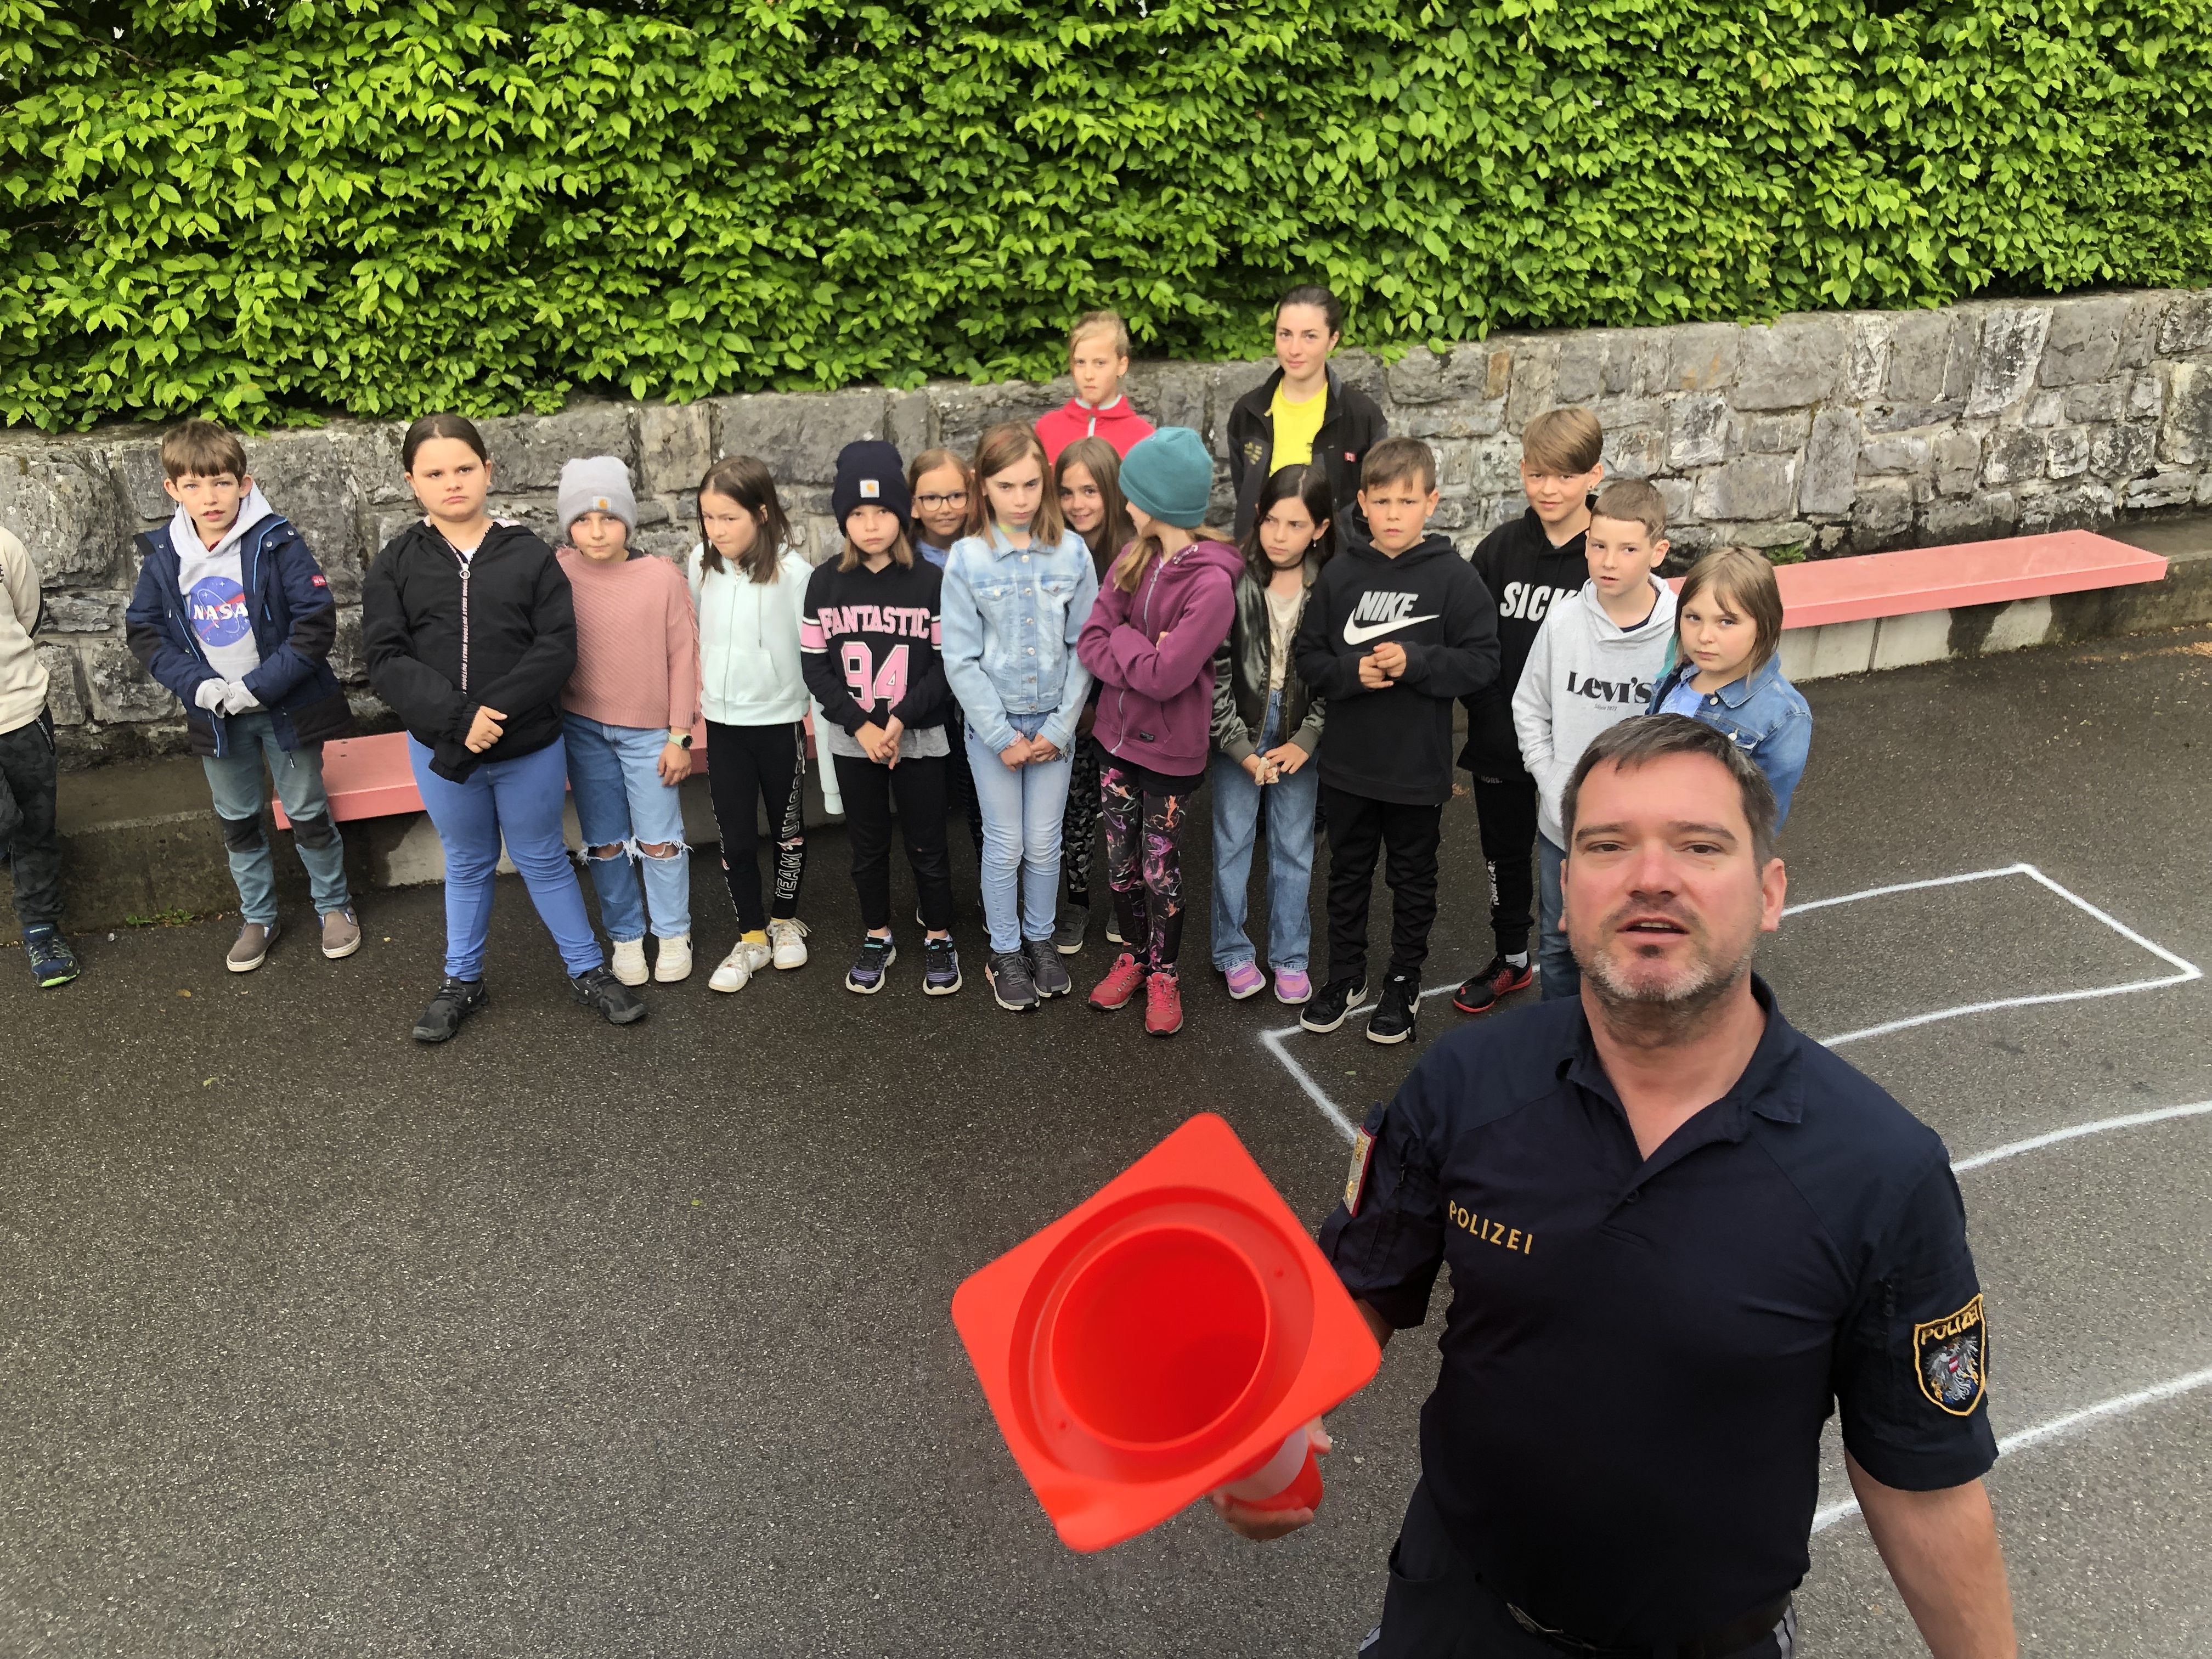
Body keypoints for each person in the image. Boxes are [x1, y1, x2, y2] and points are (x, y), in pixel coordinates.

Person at [1218, 716, 2015, 1659]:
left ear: (1769, 892)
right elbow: (1362, 1280)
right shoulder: (1464, 1085)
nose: (1650, 876)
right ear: (1565, 893)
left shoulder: (1882, 1170)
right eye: (1606, 845)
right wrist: (1268, 1427)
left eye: (1699, 845)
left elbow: (1920, 1478)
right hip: (1454, 1610)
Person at [362, 413, 645, 1042]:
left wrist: (494, 714)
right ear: (411, 482)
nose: (452, 482)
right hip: (444, 750)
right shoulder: (396, 563)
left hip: (528, 748)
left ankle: (588, 970)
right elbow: (385, 658)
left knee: (542, 856)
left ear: (488, 471)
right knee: (467, 860)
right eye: (435, 473)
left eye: (465, 468)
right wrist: (458, 720)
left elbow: (556, 647)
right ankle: (462, 979)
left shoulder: (528, 555)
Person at [123, 418, 359, 973]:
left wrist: (260, 686)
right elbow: (146, 631)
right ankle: (258, 917)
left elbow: (315, 622)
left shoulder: (277, 541)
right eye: (194, 485)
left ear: (244, 484)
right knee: (237, 819)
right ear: (173, 490)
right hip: (217, 717)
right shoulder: (164, 555)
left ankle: (334, 905)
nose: (210, 497)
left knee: (307, 810)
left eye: (222, 483)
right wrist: (198, 686)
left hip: (286, 709)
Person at [1293, 437, 1500, 1046]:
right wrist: (1348, 674)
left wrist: (1418, 662)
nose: (1392, 514)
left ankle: (1404, 980)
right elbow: (1309, 657)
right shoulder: (1341, 573)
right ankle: (1346, 976)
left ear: (1431, 503)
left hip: (1416, 768)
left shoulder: (1454, 579)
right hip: (1348, 765)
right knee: (1347, 875)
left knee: (1412, 880)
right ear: (1362, 502)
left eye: (1406, 501)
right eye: (1381, 501)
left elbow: (1483, 662)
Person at [1075, 426, 1240, 1038]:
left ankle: (1165, 973)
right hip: (1115, 740)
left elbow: (1168, 679)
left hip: (1172, 753)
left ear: (1161, 501)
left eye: (1133, 493)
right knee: (1119, 865)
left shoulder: (1213, 585)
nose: (1125, 503)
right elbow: (1092, 641)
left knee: (1159, 870)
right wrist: (1140, 647)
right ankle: (1135, 957)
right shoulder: (1133, 556)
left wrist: (1128, 644)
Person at [1453, 407, 1605, 1017]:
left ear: (1594, 475)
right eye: (1538, 474)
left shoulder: (1608, 552)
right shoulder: (1499, 550)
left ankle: (1593, 968)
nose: (1549, 489)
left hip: (1582, 747)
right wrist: (1491, 715)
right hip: (1502, 739)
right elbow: (1469, 642)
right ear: (1521, 471)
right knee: (1505, 854)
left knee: (1584, 858)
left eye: (1565, 476)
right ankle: (1512, 958)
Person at [940, 424, 1098, 1011]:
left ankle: (1040, 939)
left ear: (1046, 481)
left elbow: (1086, 645)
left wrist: (1059, 728)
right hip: (995, 728)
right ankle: (1005, 950)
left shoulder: (1072, 552)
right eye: (1006, 486)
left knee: (1044, 843)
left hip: (1054, 723)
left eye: (1032, 484)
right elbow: (959, 659)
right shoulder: (967, 558)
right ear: (982, 485)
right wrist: (1000, 734)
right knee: (1005, 843)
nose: (1021, 498)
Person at [799, 441, 962, 997]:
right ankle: (878, 934)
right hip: (856, 739)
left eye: (883, 511)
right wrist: (862, 725)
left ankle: (938, 934)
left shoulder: (930, 582)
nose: (871, 526)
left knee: (928, 844)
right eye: (858, 514)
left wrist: (900, 719)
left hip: (918, 734)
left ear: (903, 513)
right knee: (867, 847)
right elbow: (815, 666)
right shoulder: (824, 583)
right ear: (843, 519)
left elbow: (946, 663)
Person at [1513, 476, 1678, 1003]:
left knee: (1638, 945)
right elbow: (1528, 707)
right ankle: (1562, 1039)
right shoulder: (1563, 621)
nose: (1609, 561)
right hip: (1565, 828)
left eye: (1628, 549)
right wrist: (1553, 783)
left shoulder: (1681, 633)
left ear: (1657, 552)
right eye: (1598, 545)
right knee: (1560, 943)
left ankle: (1629, 1039)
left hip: (1647, 835)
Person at [554, 456, 701, 988]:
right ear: (568, 524)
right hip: (583, 728)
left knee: (660, 839)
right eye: (583, 520)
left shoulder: (661, 577)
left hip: (650, 734)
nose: (597, 532)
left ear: (629, 522)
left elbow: (684, 658)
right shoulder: (558, 572)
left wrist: (680, 734)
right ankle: (625, 936)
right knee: (606, 842)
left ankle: (674, 932)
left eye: (610, 518)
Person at [690, 455, 820, 994]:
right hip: (723, 726)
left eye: (729, 518)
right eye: (708, 518)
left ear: (762, 513)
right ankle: (750, 936)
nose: (716, 530)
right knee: (736, 838)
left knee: (787, 831)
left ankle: (785, 919)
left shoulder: (797, 574)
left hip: (779, 723)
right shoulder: (701, 563)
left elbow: (813, 649)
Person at [1208, 463, 1331, 1007]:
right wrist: (1238, 748)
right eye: (1271, 521)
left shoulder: (1331, 586)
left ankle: (1290, 956)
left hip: (1298, 728)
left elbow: (1334, 673)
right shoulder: (1233, 580)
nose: (1280, 536)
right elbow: (1215, 673)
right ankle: (1232, 950)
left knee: (1294, 847)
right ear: (1257, 516)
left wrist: (1308, 738)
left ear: (1320, 529)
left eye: (1296, 525)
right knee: (1232, 843)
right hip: (1239, 725)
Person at [1649, 546, 1814, 826]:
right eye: (1693, 617)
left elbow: (1762, 820)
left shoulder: (1785, 717)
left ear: (1764, 626)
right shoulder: (1674, 678)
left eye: (1726, 621)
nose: (1704, 636)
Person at [1048, 435, 1135, 955]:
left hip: (1123, 707)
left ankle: (1127, 900)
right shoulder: (1052, 550)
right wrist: (1074, 707)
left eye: (1089, 491)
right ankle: (1077, 902)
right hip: (1071, 708)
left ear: (1112, 491)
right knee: (1076, 808)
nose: (1078, 504)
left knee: (1124, 809)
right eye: (1066, 492)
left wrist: (1104, 704)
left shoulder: (1133, 555)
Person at [1224, 283, 1387, 538]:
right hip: (1259, 557)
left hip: (1338, 560)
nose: (1294, 350)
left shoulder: (1363, 417)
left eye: (1309, 336)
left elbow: (1376, 505)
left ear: (1332, 340)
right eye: (1285, 334)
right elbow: (1244, 491)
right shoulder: (1248, 412)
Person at [0, 518, 73, 987]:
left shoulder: (4, 544)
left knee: (35, 828)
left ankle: (41, 929)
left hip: (20, 712)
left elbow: (27, 615)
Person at [907, 448, 985, 859]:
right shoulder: (903, 557)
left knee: (981, 800)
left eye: (956, 496)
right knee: (930, 806)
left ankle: (991, 881)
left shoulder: (987, 547)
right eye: (932, 498)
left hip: (979, 694)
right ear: (914, 505)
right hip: (925, 694)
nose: (945, 508)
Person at [1035, 310, 1156, 461]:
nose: (1088, 375)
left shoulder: (1143, 437)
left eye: (1100, 363)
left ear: (1121, 366)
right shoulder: (1047, 429)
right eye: (1080, 362)